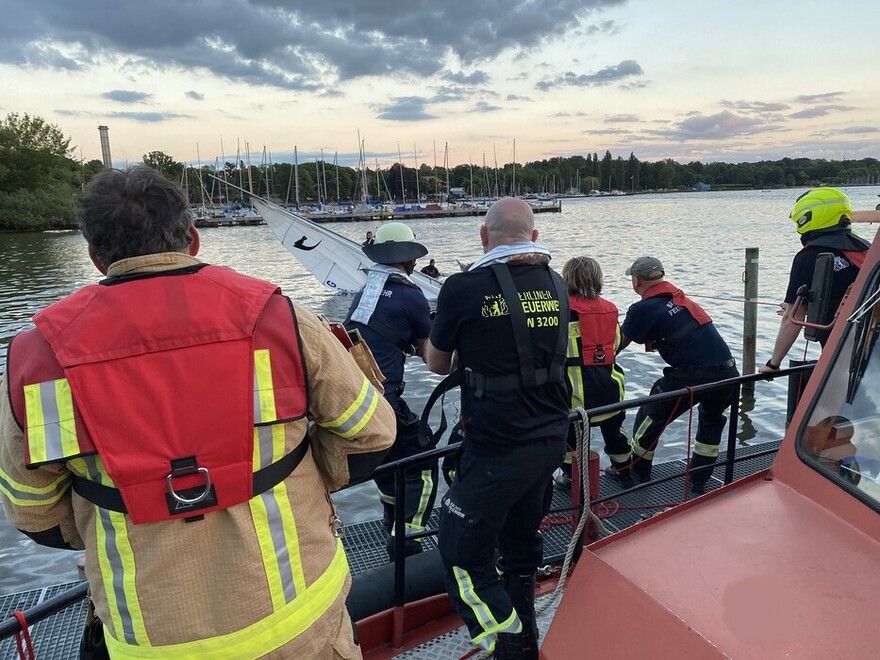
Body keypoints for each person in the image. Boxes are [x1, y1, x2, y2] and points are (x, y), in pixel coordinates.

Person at [0, 166, 396, 658]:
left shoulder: (36, 358)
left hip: (147, 640)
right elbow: (371, 434)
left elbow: (34, 514)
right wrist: (305, 480)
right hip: (301, 624)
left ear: (96, 256)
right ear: (192, 238)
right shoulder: (279, 319)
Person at [425, 197, 569, 659]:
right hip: (549, 440)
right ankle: (526, 628)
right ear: (534, 237)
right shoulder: (558, 283)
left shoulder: (463, 288)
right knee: (521, 542)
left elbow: (436, 363)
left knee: (459, 549)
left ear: (483, 237)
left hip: (497, 446)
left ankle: (509, 646)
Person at [344, 222, 438, 560]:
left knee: (388, 463)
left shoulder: (364, 291)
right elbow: (432, 360)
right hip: (384, 400)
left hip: (356, 399)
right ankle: (407, 543)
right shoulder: (412, 295)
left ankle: (390, 522)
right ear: (409, 259)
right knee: (424, 463)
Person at [619, 256, 739, 493]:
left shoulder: (642, 308)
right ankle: (699, 481)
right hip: (728, 372)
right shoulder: (678, 298)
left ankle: (639, 472)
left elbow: (618, 344)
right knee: (711, 421)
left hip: (693, 374)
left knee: (650, 413)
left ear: (635, 280)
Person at [760, 187, 870, 374]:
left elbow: (792, 317)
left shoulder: (809, 257)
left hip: (842, 354)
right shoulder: (865, 248)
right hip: (870, 345)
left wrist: (773, 364)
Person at [561, 256, 632, 486]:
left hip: (574, 400)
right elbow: (617, 345)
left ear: (567, 280)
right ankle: (624, 473)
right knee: (616, 437)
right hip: (610, 393)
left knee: (569, 445)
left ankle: (573, 481)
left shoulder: (559, 315)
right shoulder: (609, 312)